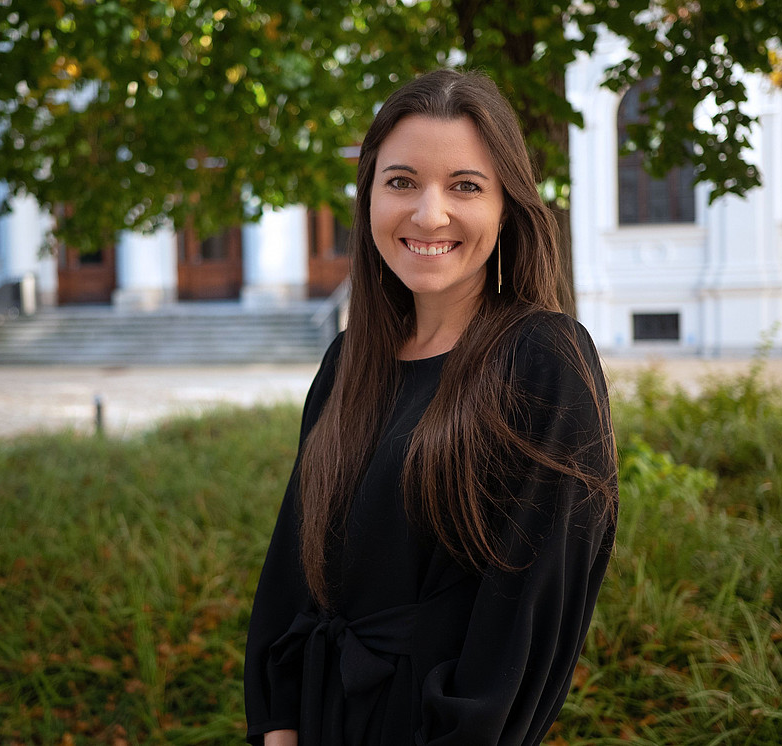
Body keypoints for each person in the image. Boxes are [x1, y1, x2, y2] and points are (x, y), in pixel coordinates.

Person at [244, 68, 619, 746]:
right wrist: (278, 725)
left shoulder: (543, 360)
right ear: (368, 199)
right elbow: (292, 571)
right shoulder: (348, 363)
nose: (429, 213)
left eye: (465, 186)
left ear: (507, 205)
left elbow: (528, 619)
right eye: (402, 181)